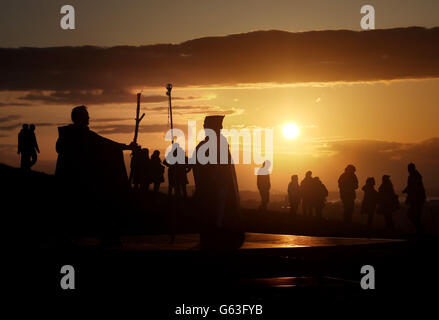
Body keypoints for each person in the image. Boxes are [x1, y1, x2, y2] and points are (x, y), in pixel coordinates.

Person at [55, 105, 137, 246]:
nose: (88, 118)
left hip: (75, 178)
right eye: (86, 115)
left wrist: (125, 146)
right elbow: (104, 144)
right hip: (76, 179)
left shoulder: (73, 134)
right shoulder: (75, 134)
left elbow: (104, 143)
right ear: (79, 117)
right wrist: (126, 147)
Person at [192, 115, 244, 250]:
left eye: (206, 125)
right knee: (212, 212)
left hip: (218, 186)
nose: (204, 127)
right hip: (213, 186)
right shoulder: (211, 143)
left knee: (217, 213)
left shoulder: (218, 143)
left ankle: (216, 233)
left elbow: (215, 166)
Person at [403, 163, 426, 234]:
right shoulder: (414, 175)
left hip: (417, 199)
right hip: (416, 199)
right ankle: (419, 229)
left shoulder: (415, 176)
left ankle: (419, 229)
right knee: (414, 214)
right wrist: (406, 190)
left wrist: (407, 191)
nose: (408, 170)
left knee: (412, 214)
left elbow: (414, 187)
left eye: (408, 168)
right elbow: (411, 186)